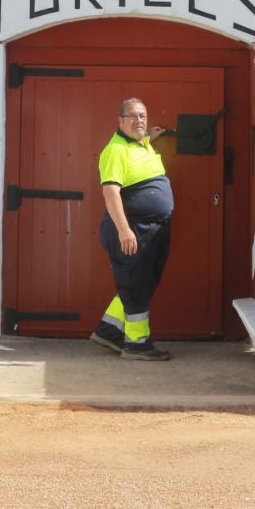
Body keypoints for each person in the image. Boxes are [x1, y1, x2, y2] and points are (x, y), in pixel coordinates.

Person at [90, 97, 173, 361]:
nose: (139, 121)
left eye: (143, 116)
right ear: (120, 121)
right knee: (135, 286)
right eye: (133, 116)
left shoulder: (141, 144)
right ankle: (137, 344)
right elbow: (111, 192)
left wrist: (151, 137)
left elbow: (140, 149)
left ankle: (110, 331)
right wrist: (125, 231)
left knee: (141, 282)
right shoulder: (115, 150)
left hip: (151, 228)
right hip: (132, 229)